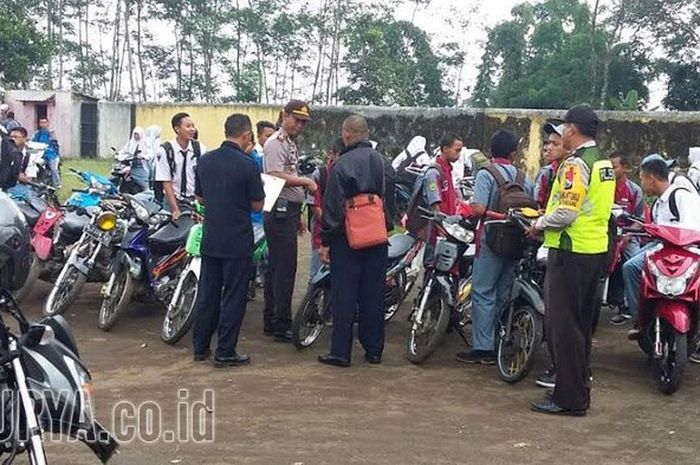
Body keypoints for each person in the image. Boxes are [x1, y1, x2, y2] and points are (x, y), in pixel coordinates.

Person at [528, 105, 614, 416]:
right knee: (580, 328)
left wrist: (538, 224)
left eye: (564, 127)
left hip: (570, 252)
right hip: (594, 251)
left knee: (564, 329)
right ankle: (579, 393)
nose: (561, 132)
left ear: (572, 130)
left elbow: (566, 212)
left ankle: (568, 398)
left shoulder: (576, 165)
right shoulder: (603, 162)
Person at [192, 113, 265, 367]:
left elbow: (200, 198)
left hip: (211, 237)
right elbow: (258, 204)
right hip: (237, 240)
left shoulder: (205, 160)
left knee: (208, 293)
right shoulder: (248, 165)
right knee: (234, 296)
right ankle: (225, 351)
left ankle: (200, 347)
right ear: (245, 135)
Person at [455, 129, 533, 365]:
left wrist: (495, 214)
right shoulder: (523, 178)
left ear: (491, 151)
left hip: (490, 238)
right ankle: (500, 338)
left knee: (482, 292)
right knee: (503, 292)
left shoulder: (486, 174)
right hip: (517, 240)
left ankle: (483, 348)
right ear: (513, 153)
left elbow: (477, 208)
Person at [317, 115, 388, 367]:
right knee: (373, 294)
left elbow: (333, 206)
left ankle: (340, 352)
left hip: (348, 237)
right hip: (376, 235)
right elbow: (386, 198)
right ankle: (374, 349)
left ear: (346, 133)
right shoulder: (381, 161)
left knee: (344, 295)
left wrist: (326, 240)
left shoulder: (342, 164)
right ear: (366, 134)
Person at [622, 155, 700, 342]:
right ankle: (640, 318)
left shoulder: (680, 197)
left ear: (652, 178)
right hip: (660, 248)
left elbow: (693, 231)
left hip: (686, 251)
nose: (641, 184)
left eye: (642, 178)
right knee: (630, 267)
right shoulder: (658, 203)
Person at [262, 100, 318, 342]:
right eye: (296, 119)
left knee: (278, 267)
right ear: (284, 115)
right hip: (278, 208)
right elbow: (276, 175)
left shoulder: (289, 142)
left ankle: (273, 319)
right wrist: (306, 182)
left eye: (303, 122)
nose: (299, 125)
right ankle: (280, 323)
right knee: (283, 269)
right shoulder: (276, 143)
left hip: (287, 210)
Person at [608, 152, 646, 325]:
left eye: (614, 166)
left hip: (629, 234)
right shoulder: (604, 187)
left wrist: (627, 237)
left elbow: (639, 221)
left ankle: (632, 308)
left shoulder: (634, 190)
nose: (610, 169)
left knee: (635, 264)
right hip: (607, 233)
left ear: (626, 169)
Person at [154, 112, 207, 219]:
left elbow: (203, 177)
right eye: (188, 126)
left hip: (193, 201)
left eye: (193, 126)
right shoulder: (165, 150)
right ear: (177, 129)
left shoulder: (200, 148)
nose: (192, 129)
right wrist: (175, 210)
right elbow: (166, 181)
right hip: (172, 201)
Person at [308, 138, 344, 282]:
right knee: (316, 275)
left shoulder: (348, 174)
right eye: (340, 156)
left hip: (342, 235)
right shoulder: (319, 174)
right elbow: (315, 206)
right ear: (331, 154)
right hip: (321, 232)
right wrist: (331, 225)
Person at [534, 122, 568, 209]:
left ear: (569, 147)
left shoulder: (577, 171)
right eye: (548, 143)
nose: (548, 148)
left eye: (555, 144)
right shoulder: (547, 173)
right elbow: (536, 204)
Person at [119, 127, 152, 192]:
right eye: (135, 134)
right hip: (131, 166)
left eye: (137, 134)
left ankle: (147, 194)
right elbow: (123, 151)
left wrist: (144, 157)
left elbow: (151, 154)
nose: (136, 136)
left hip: (141, 167)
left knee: (144, 185)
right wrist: (120, 156)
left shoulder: (145, 143)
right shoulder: (130, 143)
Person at [32, 118, 60, 188]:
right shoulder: (37, 133)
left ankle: (57, 184)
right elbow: (32, 143)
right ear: (39, 124)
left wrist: (54, 152)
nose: (43, 124)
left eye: (44, 122)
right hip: (39, 153)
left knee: (53, 168)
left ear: (47, 123)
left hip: (50, 154)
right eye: (41, 122)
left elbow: (55, 144)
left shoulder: (51, 133)